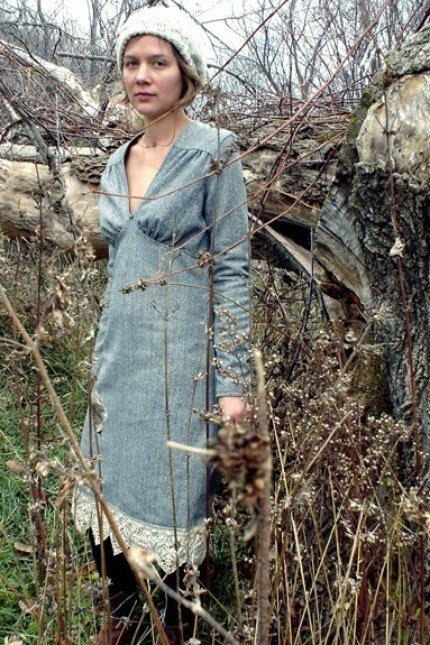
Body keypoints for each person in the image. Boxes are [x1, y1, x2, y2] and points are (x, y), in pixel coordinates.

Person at [72, 5, 250, 644]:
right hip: (118, 360)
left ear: (186, 73)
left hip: (181, 367)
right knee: (109, 501)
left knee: (172, 503)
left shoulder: (214, 151)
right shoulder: (115, 161)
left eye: (158, 62)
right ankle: (120, 624)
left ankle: (172, 628)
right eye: (131, 63)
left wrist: (231, 384)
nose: (141, 76)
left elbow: (233, 270)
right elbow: (121, 264)